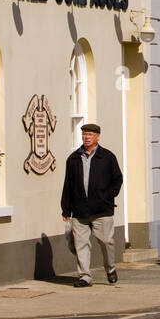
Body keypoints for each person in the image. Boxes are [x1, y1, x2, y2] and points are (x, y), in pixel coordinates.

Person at [60, 123, 123, 287]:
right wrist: (65, 208)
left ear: (97, 137)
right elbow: (68, 184)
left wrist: (107, 196)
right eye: (84, 135)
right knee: (81, 244)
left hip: (102, 210)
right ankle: (85, 276)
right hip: (79, 210)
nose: (86, 138)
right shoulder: (73, 159)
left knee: (106, 242)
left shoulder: (107, 157)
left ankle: (110, 269)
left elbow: (117, 179)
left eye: (90, 135)